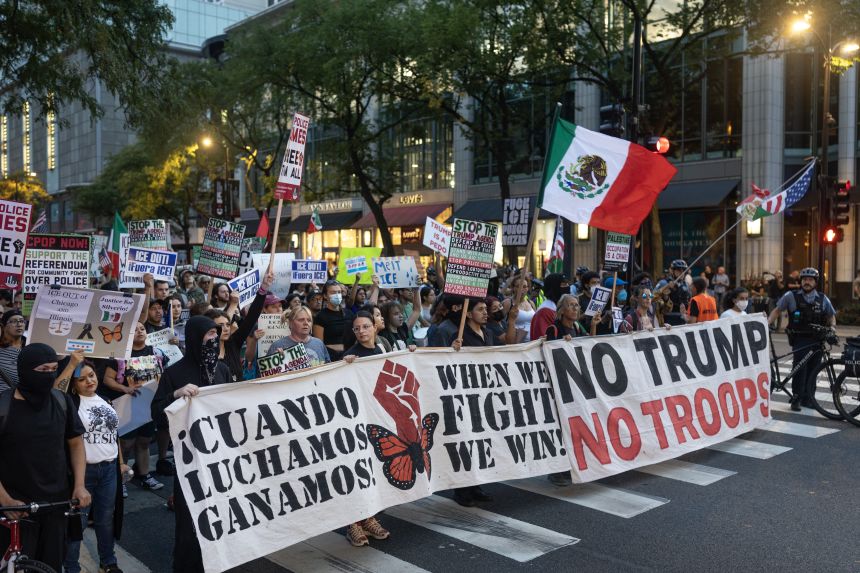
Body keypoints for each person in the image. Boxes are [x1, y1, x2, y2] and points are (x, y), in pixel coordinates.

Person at [151, 315, 233, 573]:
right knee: (191, 518)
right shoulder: (175, 373)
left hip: (221, 457)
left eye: (215, 334)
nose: (213, 339)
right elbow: (157, 413)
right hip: (190, 460)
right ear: (196, 338)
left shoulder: (222, 370)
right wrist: (175, 395)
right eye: (208, 334)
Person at [0, 344, 91, 572]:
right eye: (43, 370)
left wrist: (79, 485)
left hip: (56, 506)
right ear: (25, 370)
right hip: (15, 510)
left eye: (53, 369)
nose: (49, 375)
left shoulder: (61, 401)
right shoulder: (3, 405)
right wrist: (5, 500)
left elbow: (75, 443)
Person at [63, 361, 127, 573]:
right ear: (74, 384)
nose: (89, 381)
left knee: (105, 519)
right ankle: (71, 567)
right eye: (82, 379)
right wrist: (71, 363)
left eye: (91, 375)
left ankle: (108, 561)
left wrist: (121, 462)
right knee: (77, 523)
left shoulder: (106, 400)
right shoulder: (70, 403)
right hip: (85, 472)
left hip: (109, 470)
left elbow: (113, 434)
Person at [341, 312, 395, 546]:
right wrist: (344, 367)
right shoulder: (350, 356)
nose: (362, 331)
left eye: (366, 326)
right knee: (359, 471)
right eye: (357, 329)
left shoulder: (382, 349)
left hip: (378, 419)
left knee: (374, 472)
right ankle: (353, 523)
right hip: (358, 423)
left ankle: (369, 518)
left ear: (375, 327)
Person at [99, 321, 168, 487]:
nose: (140, 332)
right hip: (126, 405)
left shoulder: (156, 352)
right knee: (126, 443)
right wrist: (124, 388)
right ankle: (120, 478)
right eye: (135, 329)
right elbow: (107, 379)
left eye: (142, 329)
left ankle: (144, 476)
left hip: (148, 405)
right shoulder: (120, 355)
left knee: (144, 441)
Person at [450, 299, 498, 506]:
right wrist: (453, 350)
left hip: (483, 394)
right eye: (480, 309)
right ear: (468, 315)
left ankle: (475, 485)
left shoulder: (488, 334)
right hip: (465, 397)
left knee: (480, 442)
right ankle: (462, 490)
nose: (485, 313)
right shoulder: (460, 337)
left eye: (486, 309)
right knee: (467, 442)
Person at [768, 267, 836, 411]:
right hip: (800, 339)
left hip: (818, 340)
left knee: (814, 370)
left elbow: (831, 316)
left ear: (815, 282)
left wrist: (833, 328)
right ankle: (797, 398)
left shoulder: (823, 298)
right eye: (804, 279)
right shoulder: (790, 296)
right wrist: (767, 324)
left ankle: (809, 398)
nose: (807, 282)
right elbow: (777, 310)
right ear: (801, 281)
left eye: (810, 280)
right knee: (800, 369)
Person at [314, 280, 351, 360]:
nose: (337, 295)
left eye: (339, 292)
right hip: (331, 358)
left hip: (350, 356)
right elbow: (319, 344)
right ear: (325, 296)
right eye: (333, 292)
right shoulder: (320, 317)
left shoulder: (349, 314)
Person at [530, 273, 570, 340]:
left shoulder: (563, 307)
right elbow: (544, 339)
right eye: (563, 285)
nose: (568, 287)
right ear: (555, 288)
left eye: (568, 284)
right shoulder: (544, 312)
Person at [656, 259, 692, 326]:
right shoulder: (664, 282)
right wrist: (667, 287)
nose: (681, 272)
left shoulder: (686, 284)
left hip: (683, 318)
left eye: (683, 270)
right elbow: (653, 296)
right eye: (678, 270)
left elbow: (690, 300)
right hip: (668, 318)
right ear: (672, 271)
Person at [0, 309, 26, 392]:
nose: (19, 324)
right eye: (13, 321)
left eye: (22, 321)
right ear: (4, 326)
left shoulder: (31, 347)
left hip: (21, 400)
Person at [504, 274, 536, 342]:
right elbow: (500, 324)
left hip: (531, 344)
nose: (521, 289)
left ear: (528, 288)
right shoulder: (508, 303)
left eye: (524, 287)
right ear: (513, 288)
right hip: (516, 345)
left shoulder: (531, 303)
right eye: (518, 286)